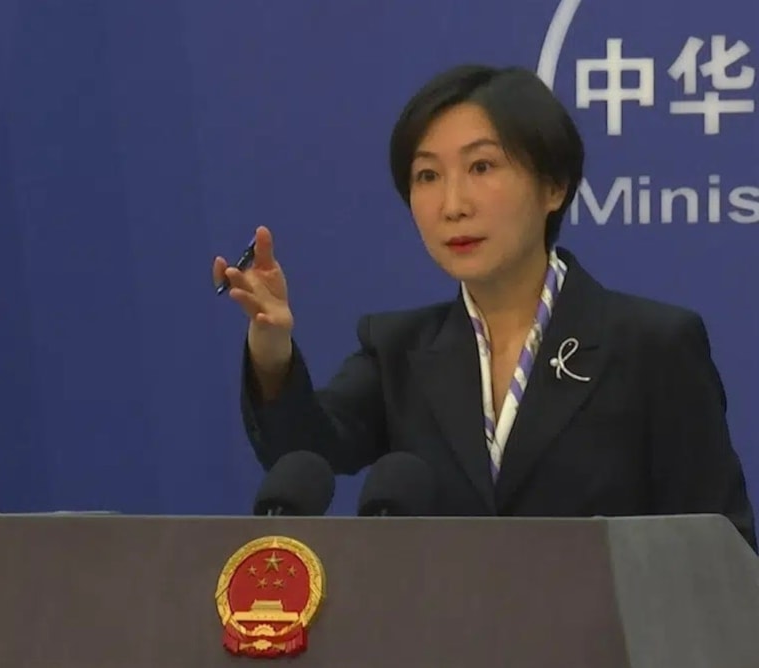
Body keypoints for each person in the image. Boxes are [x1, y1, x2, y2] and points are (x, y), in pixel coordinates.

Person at [212, 64, 757, 551]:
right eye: (427, 176)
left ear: (554, 186)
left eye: (482, 167)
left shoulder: (651, 345)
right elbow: (306, 456)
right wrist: (272, 350)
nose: (453, 205)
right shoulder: (399, 348)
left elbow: (722, 552)